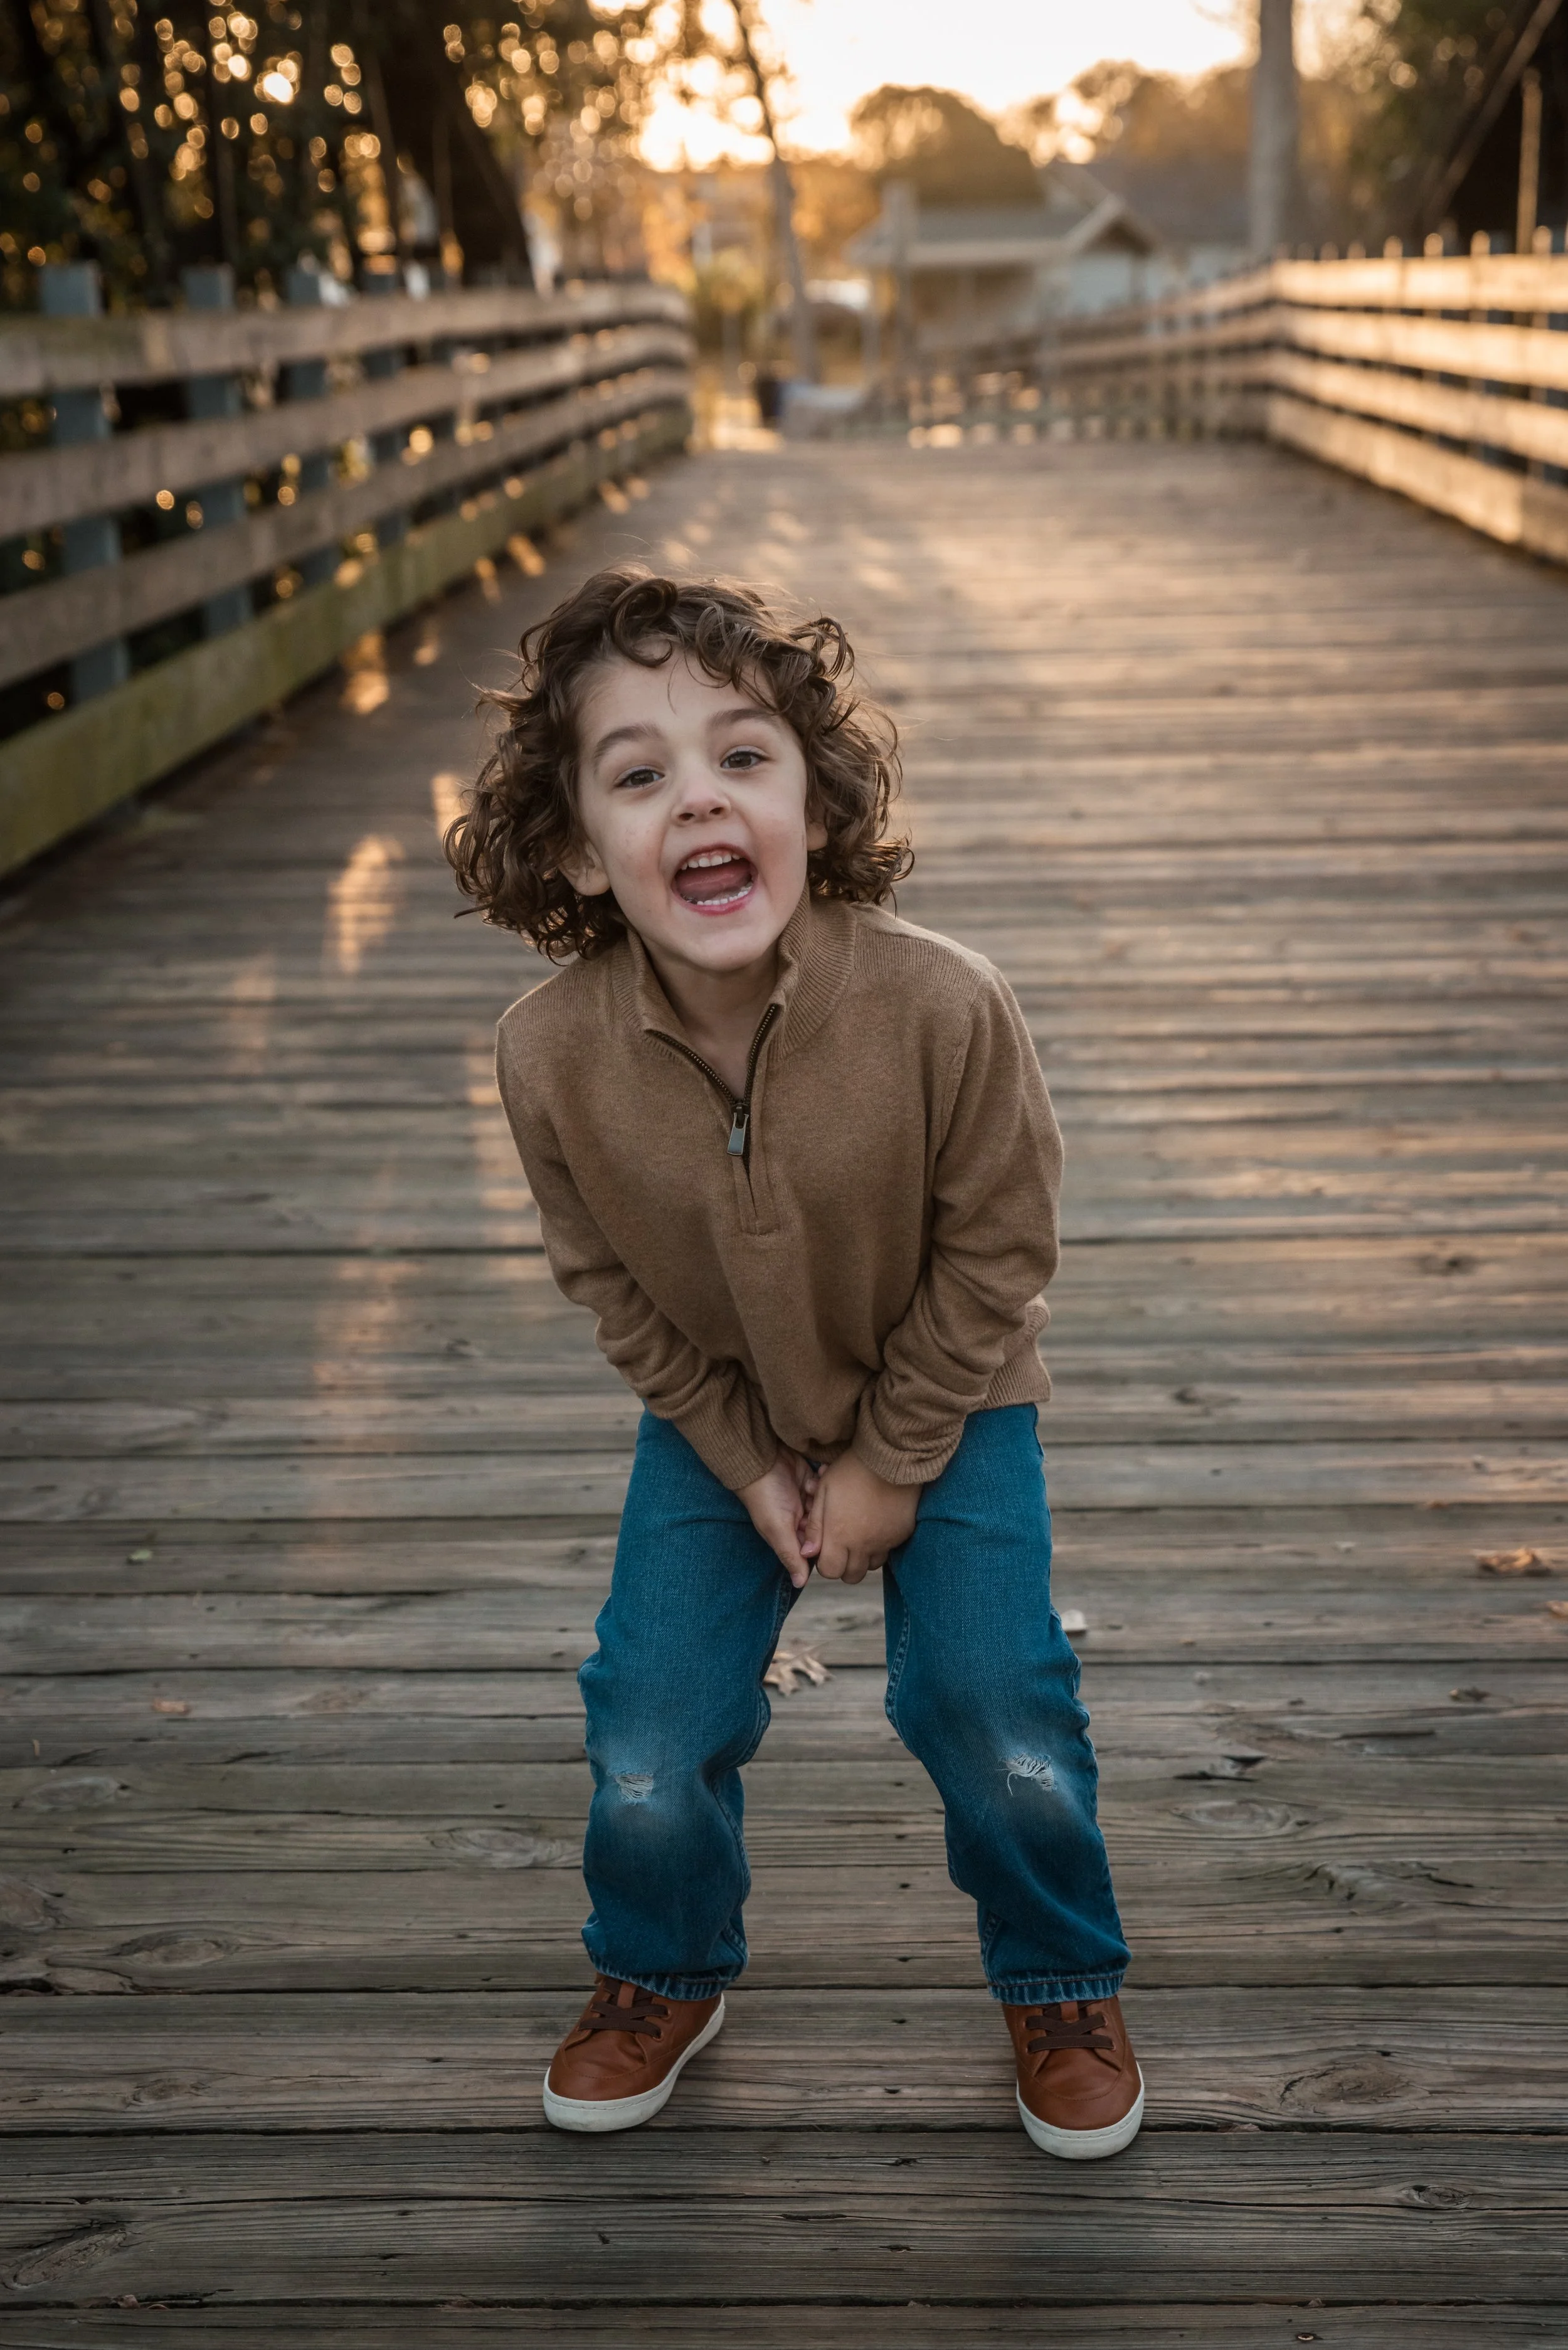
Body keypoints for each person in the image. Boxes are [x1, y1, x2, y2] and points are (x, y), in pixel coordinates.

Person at [445, 563, 1141, 2159]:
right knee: (645, 1722)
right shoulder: (546, 1054)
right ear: (574, 847)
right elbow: (607, 1283)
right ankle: (658, 1965)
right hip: (721, 1410)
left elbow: (999, 1250)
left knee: (993, 1701)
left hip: (949, 1394)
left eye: (742, 759)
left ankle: (1058, 1974)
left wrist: (894, 1460)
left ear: (813, 810)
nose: (699, 798)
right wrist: (743, 1456)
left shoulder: (943, 1007)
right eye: (639, 774)